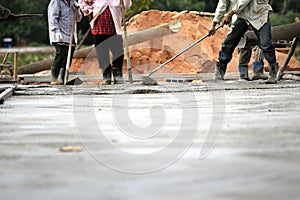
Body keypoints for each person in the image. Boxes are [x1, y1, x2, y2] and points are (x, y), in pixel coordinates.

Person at [209, 0, 278, 84]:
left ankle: (273, 73)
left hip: (259, 14)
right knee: (228, 43)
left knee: (266, 44)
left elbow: (244, 1)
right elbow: (222, 4)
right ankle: (219, 74)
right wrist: (214, 24)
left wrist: (230, 14)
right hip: (243, 16)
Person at [78, 0, 132, 85]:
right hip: (99, 25)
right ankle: (106, 76)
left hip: (114, 25)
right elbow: (82, 2)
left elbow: (126, 5)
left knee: (118, 51)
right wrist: (88, 9)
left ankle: (118, 76)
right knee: (102, 52)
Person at [48, 0, 82, 85]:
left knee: (68, 57)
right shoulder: (56, 2)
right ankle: (54, 78)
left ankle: (62, 79)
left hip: (71, 35)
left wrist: (77, 10)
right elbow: (53, 18)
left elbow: (78, 19)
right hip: (60, 35)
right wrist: (57, 32)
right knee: (61, 55)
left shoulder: (73, 2)